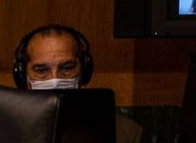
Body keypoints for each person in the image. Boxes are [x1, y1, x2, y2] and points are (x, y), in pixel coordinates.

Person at [12, 24, 143, 143]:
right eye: (41, 70)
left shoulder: (125, 133)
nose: (55, 79)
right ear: (23, 76)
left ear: (84, 72)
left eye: (67, 68)